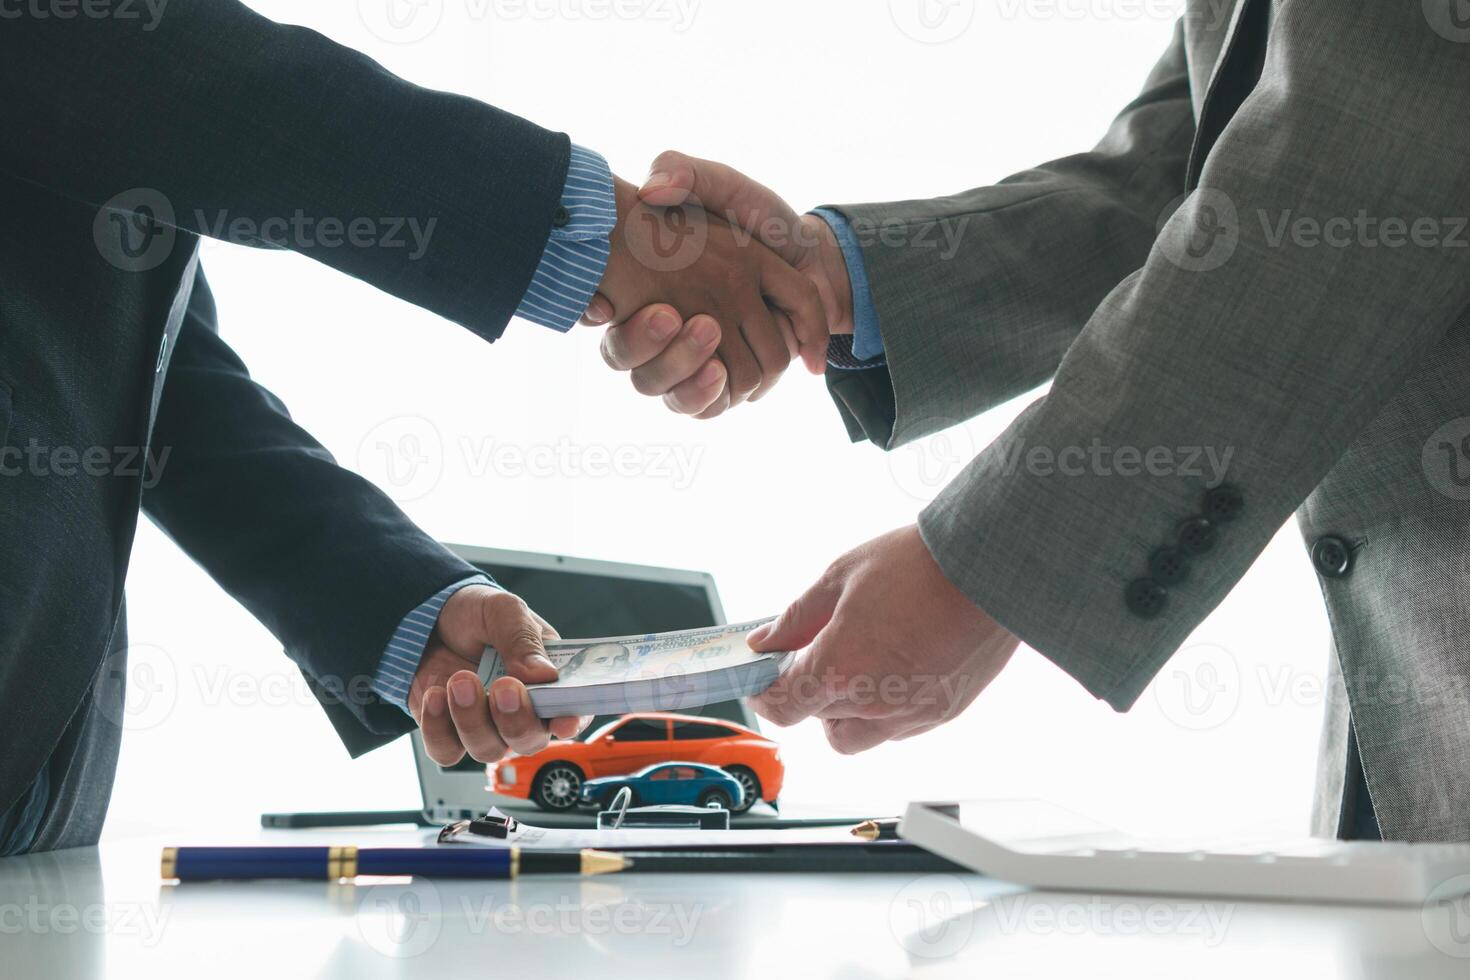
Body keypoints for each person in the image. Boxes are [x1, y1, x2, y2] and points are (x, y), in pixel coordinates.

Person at [594, 1, 1470, 842]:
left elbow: (1333, 186)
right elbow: (1175, 186)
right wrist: (823, 275)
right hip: (1404, 716)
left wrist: (979, 570)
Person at [0, 1, 826, 853]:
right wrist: (600, 231)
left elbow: (162, 388)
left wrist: (410, 611)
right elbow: (123, 55)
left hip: (39, 780)